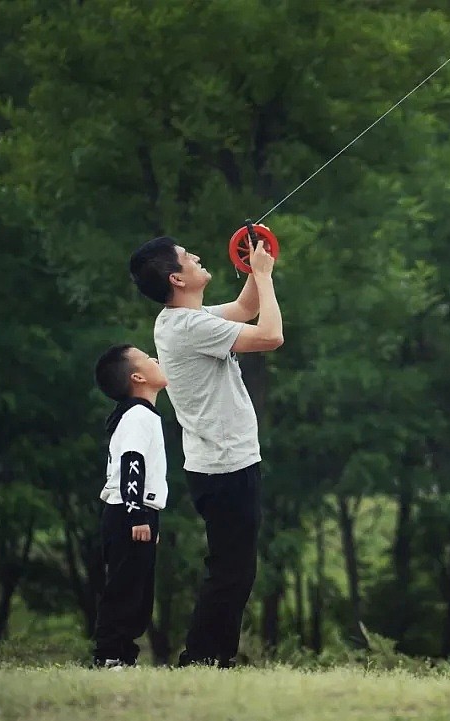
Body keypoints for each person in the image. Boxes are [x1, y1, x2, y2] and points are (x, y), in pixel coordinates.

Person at [128, 233, 283, 668]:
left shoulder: (183, 319)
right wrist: (267, 277)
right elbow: (270, 336)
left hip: (221, 464)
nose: (198, 256)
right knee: (231, 572)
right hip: (225, 467)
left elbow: (246, 309)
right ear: (178, 277)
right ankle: (202, 658)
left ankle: (209, 656)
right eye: (188, 256)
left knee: (232, 568)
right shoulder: (189, 327)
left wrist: (255, 269)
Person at [92, 344, 170, 668]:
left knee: (138, 592)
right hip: (128, 509)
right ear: (138, 377)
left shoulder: (140, 415)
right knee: (124, 590)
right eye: (147, 358)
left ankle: (123, 655)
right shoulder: (137, 415)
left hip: (137, 509)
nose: (155, 359)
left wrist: (151, 519)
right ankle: (111, 655)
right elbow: (132, 463)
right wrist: (137, 514)